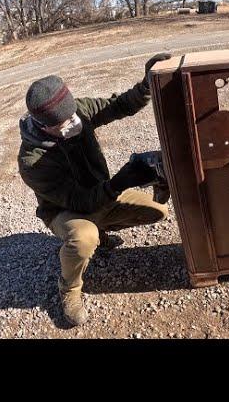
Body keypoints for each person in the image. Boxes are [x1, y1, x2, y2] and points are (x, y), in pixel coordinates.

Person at [17, 53, 172, 326]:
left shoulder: (78, 112)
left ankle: (100, 230)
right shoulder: (32, 162)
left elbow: (119, 105)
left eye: (72, 116)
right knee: (83, 236)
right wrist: (120, 182)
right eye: (63, 124)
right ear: (44, 126)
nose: (73, 124)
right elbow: (79, 200)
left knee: (158, 212)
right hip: (65, 210)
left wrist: (147, 84)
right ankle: (69, 289)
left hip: (101, 192)